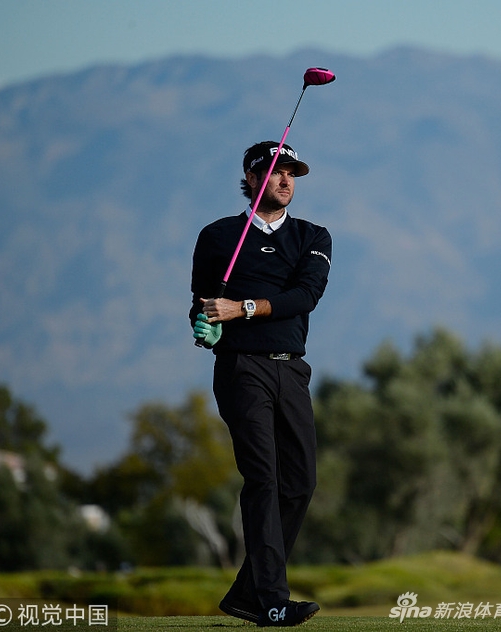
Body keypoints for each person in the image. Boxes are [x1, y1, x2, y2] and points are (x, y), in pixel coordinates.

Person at [190, 141, 331, 627]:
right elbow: (204, 300)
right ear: (251, 179)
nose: (286, 180)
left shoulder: (313, 237)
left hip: (292, 369)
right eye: (275, 171)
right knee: (264, 479)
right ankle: (271, 598)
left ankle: (247, 591)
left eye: (292, 172)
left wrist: (243, 309)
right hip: (240, 369)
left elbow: (303, 297)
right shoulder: (217, 237)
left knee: (301, 482)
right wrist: (204, 323)